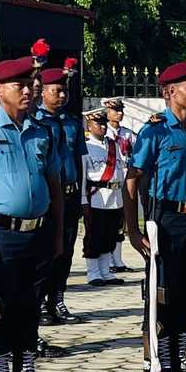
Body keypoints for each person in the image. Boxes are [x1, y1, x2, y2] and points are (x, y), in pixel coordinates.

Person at [124, 54, 186, 372]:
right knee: (163, 291)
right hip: (165, 219)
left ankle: (181, 355)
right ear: (170, 92)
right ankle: (160, 358)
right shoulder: (155, 133)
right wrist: (132, 230)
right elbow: (132, 180)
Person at [0, 46, 64, 372]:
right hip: (1, 234)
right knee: (2, 307)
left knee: (31, 306)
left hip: (39, 230)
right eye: (18, 85)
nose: (27, 90)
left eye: (28, 84)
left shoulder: (41, 131)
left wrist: (60, 233)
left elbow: (54, 185)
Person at [34, 60, 85, 326]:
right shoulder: (37, 123)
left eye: (64, 90)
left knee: (66, 250)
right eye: (56, 90)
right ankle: (42, 302)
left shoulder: (74, 123)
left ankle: (58, 298)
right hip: (48, 198)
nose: (62, 95)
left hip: (71, 195)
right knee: (47, 251)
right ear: (42, 92)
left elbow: (79, 161)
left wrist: (83, 195)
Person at [81, 108, 126, 287]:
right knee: (94, 236)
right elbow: (83, 175)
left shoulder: (113, 145)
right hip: (96, 197)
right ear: (89, 126)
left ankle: (106, 272)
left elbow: (121, 169)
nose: (102, 127)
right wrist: (83, 200)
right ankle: (93, 273)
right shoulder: (86, 147)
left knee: (110, 235)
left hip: (114, 197)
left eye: (103, 123)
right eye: (98, 123)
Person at [104, 98, 136, 274]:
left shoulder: (127, 134)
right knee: (107, 221)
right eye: (116, 110)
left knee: (120, 223)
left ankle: (117, 260)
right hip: (107, 182)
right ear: (107, 112)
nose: (119, 113)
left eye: (121, 110)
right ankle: (106, 261)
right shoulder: (103, 132)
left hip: (124, 180)